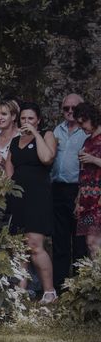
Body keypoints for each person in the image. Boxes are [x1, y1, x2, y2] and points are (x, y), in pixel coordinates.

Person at [5, 102, 58, 304]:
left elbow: (47, 158)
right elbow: (10, 168)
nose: (26, 122)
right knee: (20, 246)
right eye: (23, 119)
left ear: (38, 120)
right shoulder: (15, 140)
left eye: (31, 119)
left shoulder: (46, 135)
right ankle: (20, 291)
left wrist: (35, 134)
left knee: (35, 244)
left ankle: (49, 291)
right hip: (18, 197)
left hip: (38, 197)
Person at [51, 93, 88, 291]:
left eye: (75, 108)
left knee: (81, 239)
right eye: (67, 108)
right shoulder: (57, 130)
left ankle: (81, 286)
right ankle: (61, 285)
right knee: (60, 238)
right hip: (58, 189)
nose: (71, 112)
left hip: (80, 190)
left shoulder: (87, 132)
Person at [73, 102, 101, 256]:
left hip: (99, 199)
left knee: (94, 242)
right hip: (87, 198)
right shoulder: (87, 141)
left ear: (92, 118)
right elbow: (82, 173)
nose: (80, 125)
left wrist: (93, 159)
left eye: (83, 121)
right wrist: (78, 199)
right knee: (90, 244)